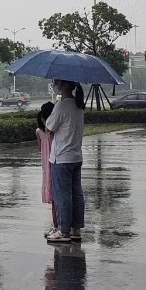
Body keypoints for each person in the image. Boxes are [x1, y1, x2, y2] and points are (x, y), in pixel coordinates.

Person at [45, 80, 85, 243]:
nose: (56, 85)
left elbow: (49, 127)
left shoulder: (61, 106)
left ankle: (63, 231)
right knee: (76, 194)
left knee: (62, 195)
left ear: (65, 86)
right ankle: (76, 229)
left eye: (58, 83)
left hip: (61, 158)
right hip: (76, 157)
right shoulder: (79, 106)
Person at [35, 102, 57, 230]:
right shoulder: (54, 131)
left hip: (46, 165)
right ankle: (58, 226)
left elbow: (40, 149)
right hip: (55, 161)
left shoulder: (38, 131)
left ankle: (55, 226)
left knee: (52, 196)